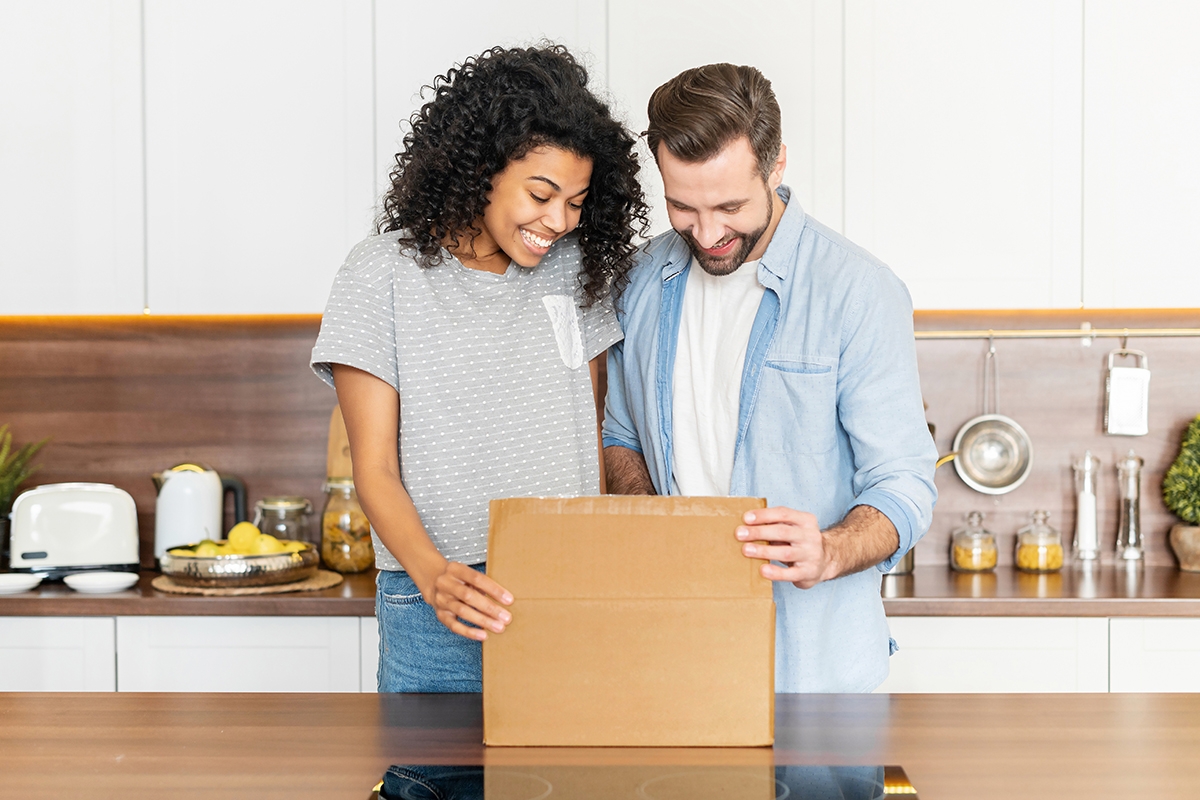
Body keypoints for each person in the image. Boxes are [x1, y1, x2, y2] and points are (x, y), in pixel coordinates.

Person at [311, 45, 649, 692]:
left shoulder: (576, 269)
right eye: (541, 193)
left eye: (576, 201)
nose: (559, 221)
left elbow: (593, 433)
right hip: (434, 601)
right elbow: (373, 466)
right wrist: (434, 576)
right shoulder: (381, 273)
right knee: (434, 788)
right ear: (482, 168)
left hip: (569, 594)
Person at [602, 63, 937, 692]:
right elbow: (621, 436)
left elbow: (905, 481)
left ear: (776, 165)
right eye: (682, 207)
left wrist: (831, 549)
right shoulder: (641, 281)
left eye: (729, 206)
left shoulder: (858, 292)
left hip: (816, 675)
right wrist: (652, 529)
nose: (706, 233)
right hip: (672, 661)